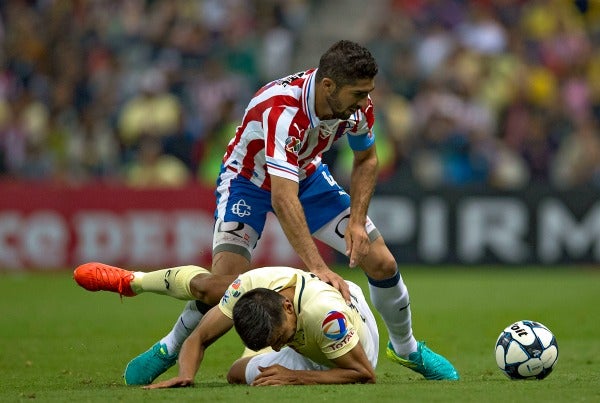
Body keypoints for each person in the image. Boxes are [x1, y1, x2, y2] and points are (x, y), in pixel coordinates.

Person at [76, 39, 459, 384]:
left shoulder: (357, 104)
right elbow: (282, 197)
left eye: (367, 93)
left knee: (383, 263)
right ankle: (169, 344)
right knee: (220, 287)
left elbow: (367, 159)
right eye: (358, 94)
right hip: (248, 180)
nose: (365, 103)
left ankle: (406, 349)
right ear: (329, 86)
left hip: (307, 174)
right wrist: (318, 267)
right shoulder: (282, 110)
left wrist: (357, 222)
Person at [76, 265, 379, 386]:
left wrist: (295, 376)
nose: (276, 347)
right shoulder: (249, 286)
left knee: (246, 370)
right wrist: (186, 374)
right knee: (209, 290)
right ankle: (136, 281)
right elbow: (198, 339)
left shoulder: (327, 319)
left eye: (279, 338)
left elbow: (365, 373)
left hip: (349, 346)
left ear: (288, 307)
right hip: (302, 334)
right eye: (272, 343)